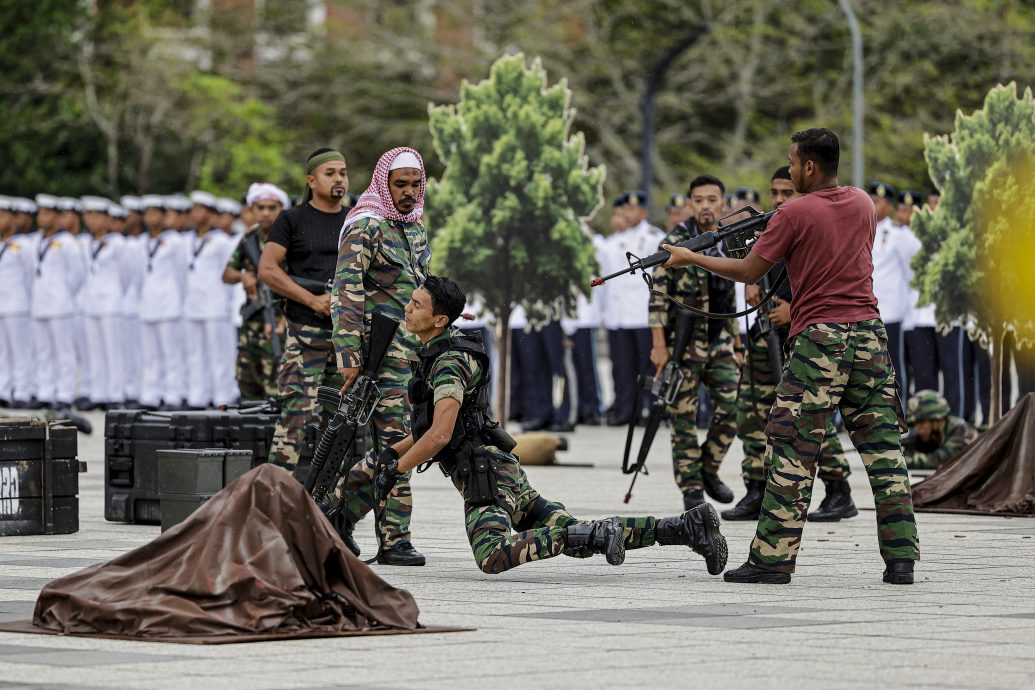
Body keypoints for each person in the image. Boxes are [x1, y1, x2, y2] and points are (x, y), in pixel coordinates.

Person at [662, 128, 920, 585]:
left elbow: (748, 270)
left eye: (793, 162)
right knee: (884, 452)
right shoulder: (862, 203)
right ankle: (901, 560)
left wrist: (690, 258)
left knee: (791, 450)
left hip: (820, 341)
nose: (790, 168)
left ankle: (772, 560)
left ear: (809, 167)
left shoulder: (794, 212)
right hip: (870, 338)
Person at [361, 275, 728, 575]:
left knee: (493, 556)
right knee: (580, 537)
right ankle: (685, 527)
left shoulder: (447, 363)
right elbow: (433, 426)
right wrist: (392, 454)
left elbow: (440, 435)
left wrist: (397, 470)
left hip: (485, 477)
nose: (407, 309)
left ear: (440, 320)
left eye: (416, 305)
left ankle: (599, 533)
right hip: (495, 469)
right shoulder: (439, 353)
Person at [726, 166, 857, 523]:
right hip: (764, 332)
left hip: (803, 335)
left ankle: (838, 488)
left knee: (807, 415)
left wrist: (793, 308)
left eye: (787, 192)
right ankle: (756, 487)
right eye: (775, 193)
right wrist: (750, 284)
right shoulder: (769, 228)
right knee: (752, 413)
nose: (780, 199)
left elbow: (830, 281)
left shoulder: (814, 225)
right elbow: (748, 265)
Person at [330, 146, 431, 567]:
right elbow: (346, 291)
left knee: (405, 441)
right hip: (378, 355)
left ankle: (338, 512)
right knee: (396, 443)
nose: (408, 193)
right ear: (383, 183)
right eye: (400, 184)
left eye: (415, 184)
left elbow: (420, 285)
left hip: (412, 353)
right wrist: (349, 355)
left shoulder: (416, 228)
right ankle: (394, 538)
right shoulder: (366, 226)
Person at [649, 175, 740, 510]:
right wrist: (659, 346)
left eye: (712, 200)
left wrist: (737, 344)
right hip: (682, 347)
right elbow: (657, 299)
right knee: (683, 419)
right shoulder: (673, 243)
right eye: (698, 200)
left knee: (732, 409)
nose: (705, 206)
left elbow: (730, 300)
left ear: (723, 204)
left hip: (719, 344)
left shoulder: (730, 240)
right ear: (690, 205)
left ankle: (708, 469)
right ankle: (691, 490)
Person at [260, 148, 350, 469]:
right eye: (330, 173)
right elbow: (268, 269)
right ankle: (276, 497)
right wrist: (311, 300)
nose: (339, 179)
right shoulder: (292, 219)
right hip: (305, 335)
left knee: (341, 423)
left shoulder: (356, 219)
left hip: (346, 339)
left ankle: (331, 505)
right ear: (312, 180)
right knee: (295, 418)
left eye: (343, 172)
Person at [602, 191, 663, 426]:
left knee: (647, 367)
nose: (627, 214)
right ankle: (627, 409)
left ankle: (649, 409)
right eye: (625, 209)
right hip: (618, 316)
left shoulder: (654, 237)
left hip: (642, 314)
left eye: (632, 209)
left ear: (643, 212)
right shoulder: (613, 241)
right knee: (622, 367)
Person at [223, 183, 289, 400]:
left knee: (277, 381)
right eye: (260, 208)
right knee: (247, 378)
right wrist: (243, 276)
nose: (266, 213)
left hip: (280, 319)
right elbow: (227, 273)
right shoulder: (248, 239)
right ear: (252, 210)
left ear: (282, 210)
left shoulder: (290, 239)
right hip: (252, 321)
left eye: (272, 208)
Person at [183, 191, 240, 409]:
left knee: (220, 354)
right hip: (192, 304)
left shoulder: (221, 241)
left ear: (210, 214)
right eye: (193, 209)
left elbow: (230, 272)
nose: (195, 213)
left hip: (215, 305)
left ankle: (222, 396)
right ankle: (198, 396)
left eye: (200, 209)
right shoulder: (187, 240)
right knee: (196, 354)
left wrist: (224, 302)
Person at [29, 194, 86, 410]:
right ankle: (45, 391)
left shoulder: (67, 243)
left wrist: (63, 293)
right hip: (39, 304)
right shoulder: (34, 241)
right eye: (40, 213)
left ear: (57, 216)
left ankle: (64, 394)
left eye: (47, 213)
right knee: (43, 351)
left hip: (60, 305)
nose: (42, 218)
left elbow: (78, 274)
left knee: (64, 352)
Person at [137, 195, 189, 410]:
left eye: (155, 213)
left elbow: (182, 273)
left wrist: (178, 299)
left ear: (164, 216)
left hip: (169, 304)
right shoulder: (143, 241)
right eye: (147, 213)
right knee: (149, 354)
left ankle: (172, 395)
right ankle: (150, 394)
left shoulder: (175, 241)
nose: (150, 218)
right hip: (148, 304)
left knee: (171, 353)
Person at [870, 181, 919, 405]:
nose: (872, 204)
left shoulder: (898, 234)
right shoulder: (861, 227)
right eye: (871, 199)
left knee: (894, 366)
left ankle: (900, 414)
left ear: (888, 206)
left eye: (878, 201)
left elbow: (912, 272)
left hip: (890, 311)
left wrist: (907, 307)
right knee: (866, 366)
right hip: (866, 311)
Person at [80, 197, 128, 409]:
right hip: (91, 304)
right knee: (95, 351)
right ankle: (98, 394)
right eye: (88, 216)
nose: (92, 220)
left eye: (97, 216)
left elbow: (128, 274)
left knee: (113, 350)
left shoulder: (118, 243)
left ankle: (115, 394)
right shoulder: (85, 242)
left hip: (111, 303)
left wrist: (116, 293)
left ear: (108, 219)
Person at [0, 196, 36, 407]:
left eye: (3, 216)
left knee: (21, 350)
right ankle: (4, 389)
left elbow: (31, 275)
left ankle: (23, 391)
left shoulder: (24, 245)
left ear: (13, 219)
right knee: (2, 351)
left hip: (18, 305)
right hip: (1, 304)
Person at [902, 390, 978, 470]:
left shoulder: (963, 432)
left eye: (921, 423)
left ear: (937, 420)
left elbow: (939, 460)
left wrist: (904, 460)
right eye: (915, 424)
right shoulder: (933, 435)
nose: (917, 428)